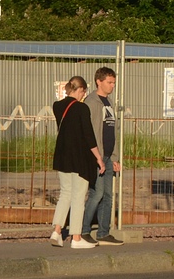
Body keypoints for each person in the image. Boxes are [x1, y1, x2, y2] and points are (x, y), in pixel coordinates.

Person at [50, 76, 104, 249]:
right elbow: (88, 135)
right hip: (79, 157)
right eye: (84, 92)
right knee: (78, 197)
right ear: (80, 90)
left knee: (65, 194)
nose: (84, 95)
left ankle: (56, 231)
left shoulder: (57, 106)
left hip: (62, 155)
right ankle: (76, 237)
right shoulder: (82, 108)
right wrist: (98, 157)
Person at [82, 66, 123, 245]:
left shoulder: (109, 102)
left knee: (108, 196)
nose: (112, 86)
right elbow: (90, 132)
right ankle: (83, 230)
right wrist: (97, 156)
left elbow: (113, 131)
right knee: (96, 193)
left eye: (114, 82)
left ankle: (103, 232)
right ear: (99, 82)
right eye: (109, 82)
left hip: (108, 156)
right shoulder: (91, 102)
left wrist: (114, 157)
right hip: (96, 156)